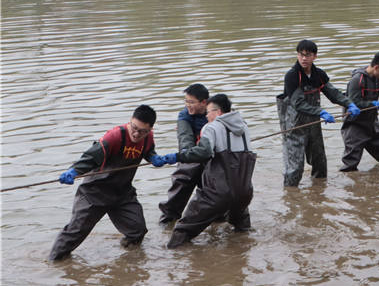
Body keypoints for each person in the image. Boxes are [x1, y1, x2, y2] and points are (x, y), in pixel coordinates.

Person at [49, 105, 174, 261]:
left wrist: (153, 157)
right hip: (95, 192)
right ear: (130, 122)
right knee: (75, 232)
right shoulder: (115, 136)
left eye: (142, 131)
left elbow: (148, 151)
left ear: (149, 130)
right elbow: (90, 158)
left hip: (122, 193)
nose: (136, 133)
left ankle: (127, 261)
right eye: (134, 128)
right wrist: (73, 171)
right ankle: (53, 262)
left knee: (138, 230)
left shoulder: (148, 138)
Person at [166, 94, 256, 248]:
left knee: (181, 232)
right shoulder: (244, 127)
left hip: (216, 194)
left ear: (218, 112)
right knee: (242, 231)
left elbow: (203, 152)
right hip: (244, 193)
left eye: (208, 112)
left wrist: (177, 156)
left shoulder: (211, 127)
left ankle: (172, 260)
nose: (207, 116)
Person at [277, 39, 360, 186]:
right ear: (297, 55)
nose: (304, 58)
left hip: (314, 124)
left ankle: (319, 193)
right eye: (301, 55)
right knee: (295, 167)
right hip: (294, 126)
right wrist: (321, 112)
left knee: (320, 163)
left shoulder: (319, 74)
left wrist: (349, 104)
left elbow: (333, 93)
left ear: (314, 56)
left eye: (307, 55)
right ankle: (290, 195)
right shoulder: (292, 76)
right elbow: (298, 103)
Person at [158, 83, 209, 226]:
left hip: (211, 156)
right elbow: (185, 137)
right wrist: (188, 153)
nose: (188, 105)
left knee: (215, 191)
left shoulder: (213, 113)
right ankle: (168, 221)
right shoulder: (184, 115)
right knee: (183, 181)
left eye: (191, 102)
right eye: (186, 101)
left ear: (204, 102)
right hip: (191, 156)